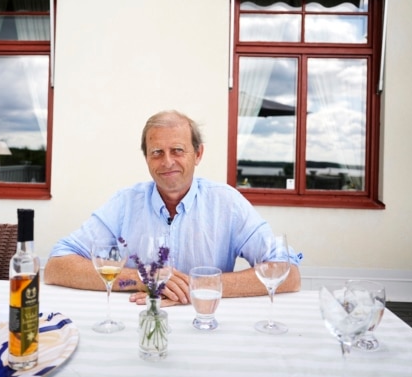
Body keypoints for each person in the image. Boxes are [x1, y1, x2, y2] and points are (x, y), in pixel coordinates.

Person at [44, 110, 302, 306]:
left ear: (198, 154)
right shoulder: (125, 203)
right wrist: (145, 279)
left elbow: (288, 273)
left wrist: (196, 285)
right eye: (157, 152)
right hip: (140, 325)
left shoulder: (227, 203)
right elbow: (56, 266)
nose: (167, 162)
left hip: (206, 322)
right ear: (146, 158)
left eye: (177, 150)